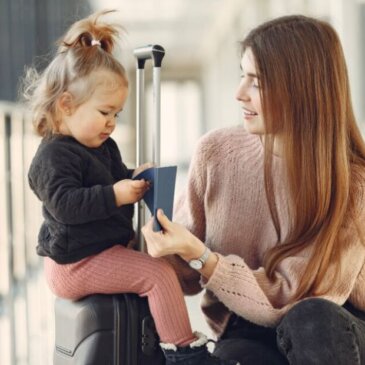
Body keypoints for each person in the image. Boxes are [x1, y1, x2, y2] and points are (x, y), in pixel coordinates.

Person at [142, 14, 365, 365]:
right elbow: (183, 275)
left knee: (312, 323)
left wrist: (203, 257)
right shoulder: (216, 154)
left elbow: (293, 299)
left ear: (300, 89)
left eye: (257, 82)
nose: (239, 93)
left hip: (336, 322)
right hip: (247, 324)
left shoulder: (352, 183)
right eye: (241, 75)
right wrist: (151, 224)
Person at [25, 10, 239, 365]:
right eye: (104, 112)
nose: (111, 122)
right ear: (66, 105)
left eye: (117, 115)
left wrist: (133, 175)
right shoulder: (52, 156)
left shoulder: (100, 144)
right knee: (157, 275)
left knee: (155, 264)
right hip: (74, 263)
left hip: (95, 250)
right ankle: (184, 351)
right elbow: (66, 204)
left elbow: (110, 175)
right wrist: (115, 194)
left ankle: (162, 344)